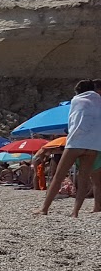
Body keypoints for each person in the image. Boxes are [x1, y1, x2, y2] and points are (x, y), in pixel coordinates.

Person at [39, 80, 101, 216]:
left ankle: (44, 209)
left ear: (78, 91)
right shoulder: (99, 102)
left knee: (58, 176)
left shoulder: (76, 100)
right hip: (94, 144)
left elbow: (72, 121)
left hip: (76, 142)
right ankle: (75, 212)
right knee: (83, 178)